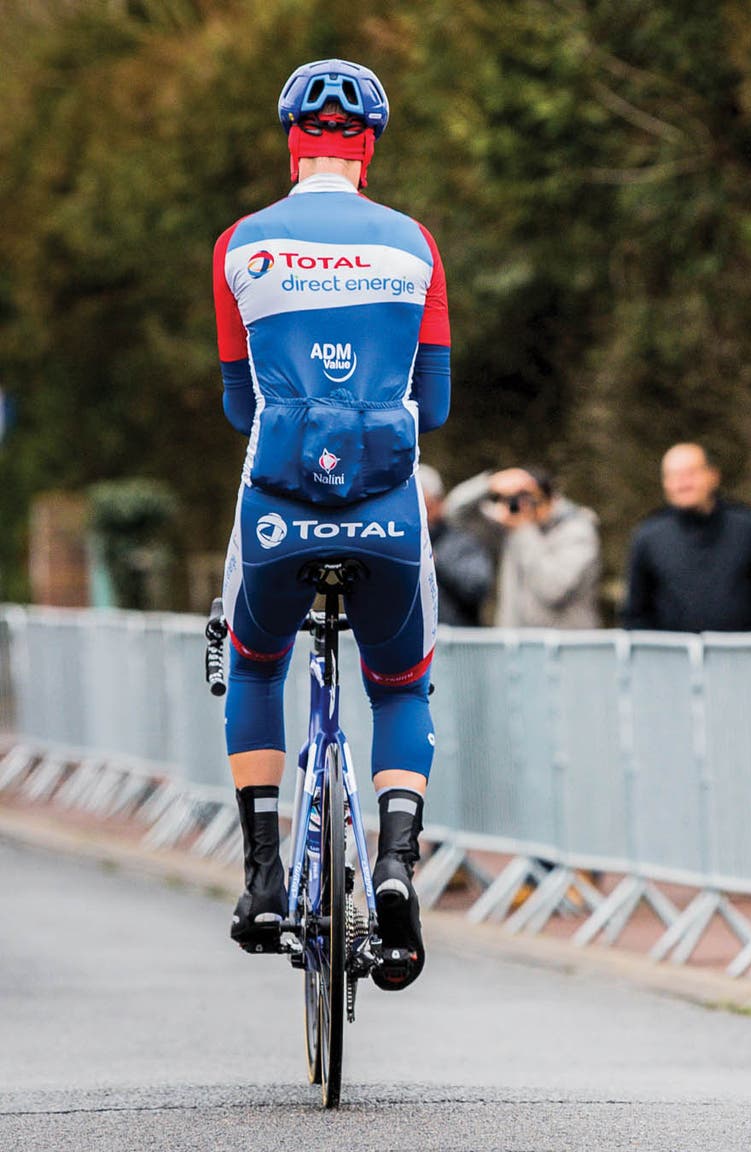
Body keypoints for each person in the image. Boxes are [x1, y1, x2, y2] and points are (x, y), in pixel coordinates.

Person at [214, 60, 440, 989]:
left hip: (277, 513)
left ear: (293, 142)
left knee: (253, 657)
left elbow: (239, 405)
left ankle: (265, 871)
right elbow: (440, 396)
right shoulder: (414, 245)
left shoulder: (242, 243)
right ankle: (393, 858)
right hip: (386, 513)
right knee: (401, 685)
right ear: (370, 146)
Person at [622, 443, 751, 633]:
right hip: (672, 659)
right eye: (673, 476)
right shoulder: (648, 536)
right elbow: (635, 612)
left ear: (713, 476)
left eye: (691, 473)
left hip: (739, 657)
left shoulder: (748, 528)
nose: (682, 483)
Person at [444, 465, 603, 628]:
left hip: (564, 649)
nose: (521, 506)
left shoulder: (577, 531)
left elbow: (553, 590)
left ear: (550, 498)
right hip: (514, 646)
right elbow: (454, 513)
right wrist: (490, 483)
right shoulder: (511, 527)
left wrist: (524, 531)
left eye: (528, 499)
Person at [417, 464, 492, 627]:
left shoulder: (461, 542)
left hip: (457, 644)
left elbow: (476, 588)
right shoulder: (396, 545)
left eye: (423, 507)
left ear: (437, 503)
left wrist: (434, 561)